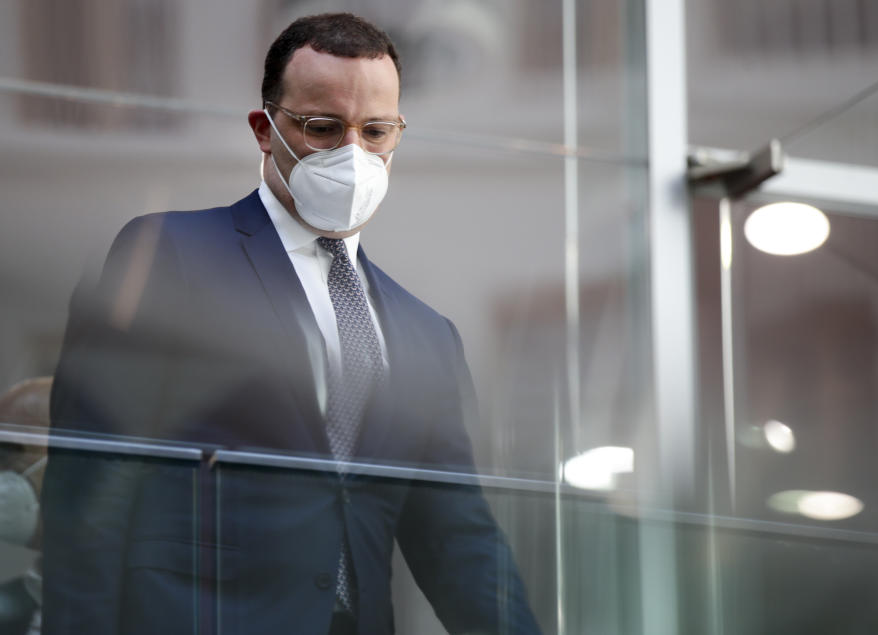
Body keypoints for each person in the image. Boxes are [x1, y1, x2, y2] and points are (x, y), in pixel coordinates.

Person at [41, 13, 540, 635]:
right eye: (323, 128)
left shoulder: (427, 335)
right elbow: (91, 484)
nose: (352, 153)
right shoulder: (172, 254)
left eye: (375, 130)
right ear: (264, 128)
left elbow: (458, 538)